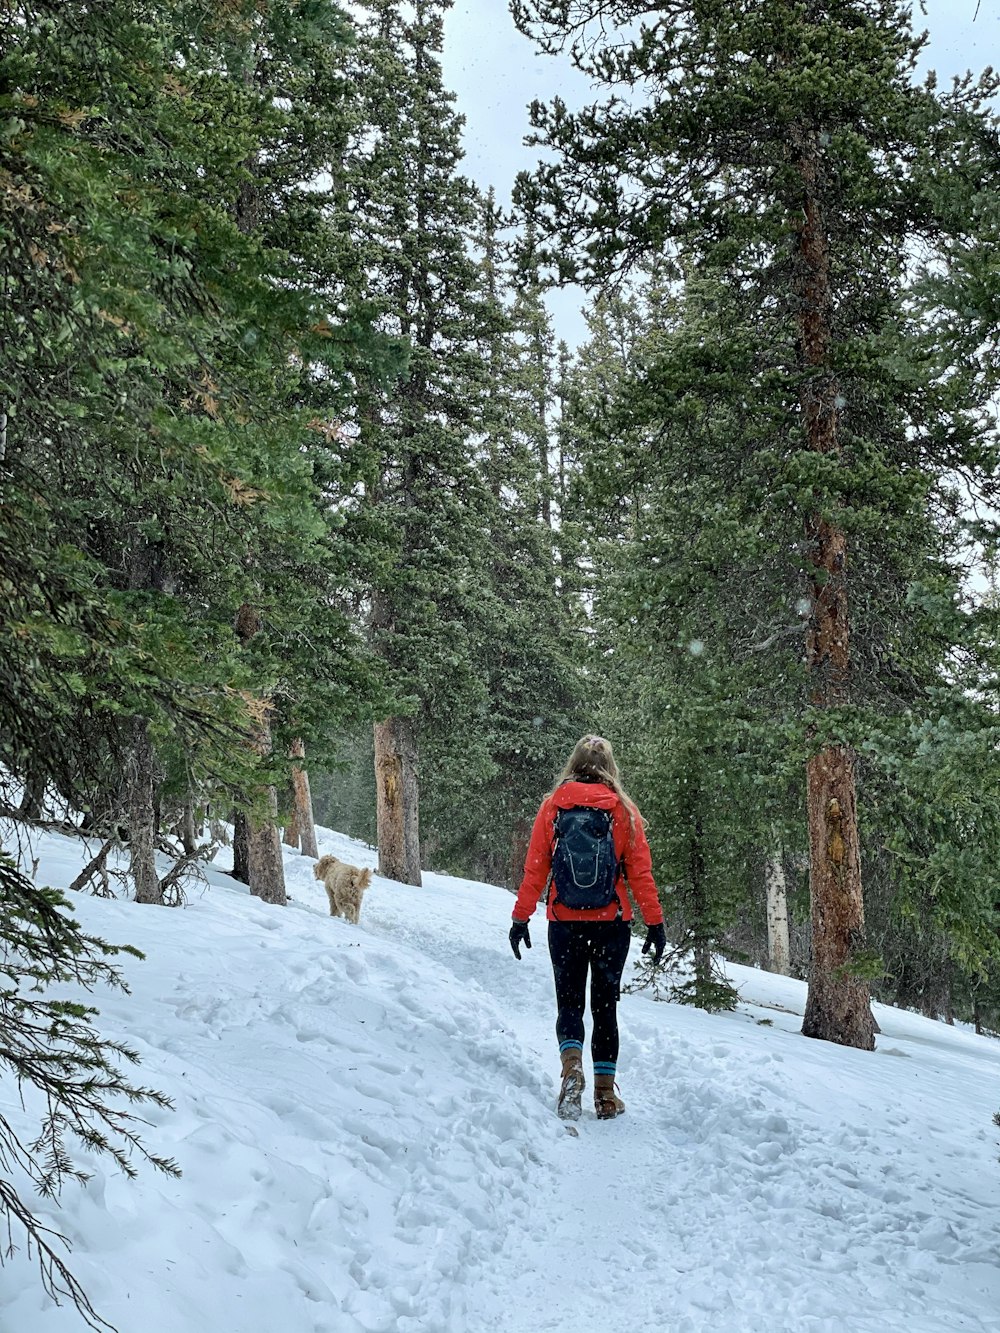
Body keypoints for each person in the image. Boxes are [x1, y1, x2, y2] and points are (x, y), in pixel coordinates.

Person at [509, 734, 666, 1121]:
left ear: (573, 763)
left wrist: (521, 916)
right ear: (609, 767)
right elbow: (639, 873)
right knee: (604, 1006)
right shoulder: (623, 811)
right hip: (611, 922)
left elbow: (536, 867)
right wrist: (655, 922)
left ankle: (571, 1068)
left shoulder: (553, 807)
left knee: (570, 1003)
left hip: (564, 921)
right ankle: (604, 1096)